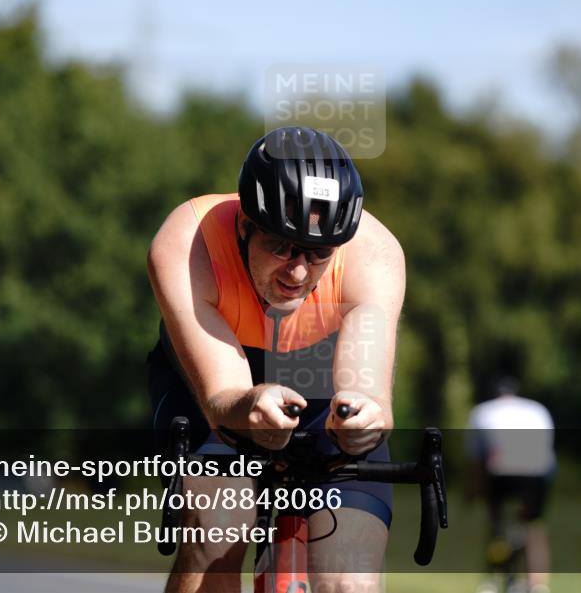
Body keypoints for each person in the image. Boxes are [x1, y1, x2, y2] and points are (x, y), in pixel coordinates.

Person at [146, 126, 405, 593]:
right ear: (245, 225)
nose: (299, 270)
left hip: (322, 383)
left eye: (319, 253)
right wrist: (248, 404)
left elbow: (365, 389)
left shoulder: (374, 253)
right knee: (215, 539)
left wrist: (363, 418)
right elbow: (223, 396)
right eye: (282, 245)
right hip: (212, 382)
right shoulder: (188, 243)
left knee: (350, 582)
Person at [466, 376, 556, 593]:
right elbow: (547, 449)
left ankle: (491, 581)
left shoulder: (482, 412)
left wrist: (473, 491)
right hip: (536, 471)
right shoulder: (537, 409)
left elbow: (476, 460)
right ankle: (538, 585)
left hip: (501, 471)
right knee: (534, 525)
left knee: (496, 524)